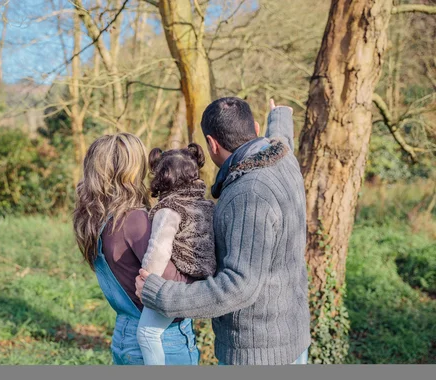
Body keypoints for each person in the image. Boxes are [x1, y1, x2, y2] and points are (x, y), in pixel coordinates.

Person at [136, 98, 311, 365]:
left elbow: (238, 287)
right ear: (253, 127)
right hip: (293, 337)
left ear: (212, 143)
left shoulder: (249, 192)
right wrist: (280, 115)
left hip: (258, 354)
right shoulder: (283, 157)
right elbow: (282, 138)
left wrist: (161, 295)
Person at [73, 133, 199, 365]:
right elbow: (174, 285)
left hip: (126, 331)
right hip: (161, 340)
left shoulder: (98, 220)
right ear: (131, 170)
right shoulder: (133, 219)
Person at [136, 143, 216, 365]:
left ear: (162, 177)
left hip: (179, 283)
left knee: (147, 334)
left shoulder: (169, 210)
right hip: (204, 282)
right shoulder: (206, 205)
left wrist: (146, 279)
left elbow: (159, 249)